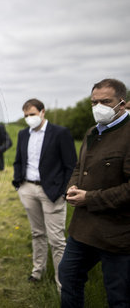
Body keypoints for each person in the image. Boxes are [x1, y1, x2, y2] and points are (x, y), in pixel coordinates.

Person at [59, 79, 130, 307]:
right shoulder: (92, 132)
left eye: (105, 101)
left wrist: (89, 198)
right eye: (94, 102)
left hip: (117, 233)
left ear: (122, 103)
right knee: (68, 276)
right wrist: (71, 185)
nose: (98, 107)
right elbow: (80, 166)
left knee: (118, 296)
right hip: (83, 229)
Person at [12, 99, 77, 290]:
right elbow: (18, 161)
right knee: (37, 233)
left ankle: (61, 284)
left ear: (42, 112)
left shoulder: (60, 133)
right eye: (26, 116)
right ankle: (37, 272)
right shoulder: (24, 134)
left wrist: (63, 192)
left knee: (57, 240)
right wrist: (19, 184)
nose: (29, 118)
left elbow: (71, 165)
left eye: (32, 114)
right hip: (28, 189)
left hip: (53, 191)